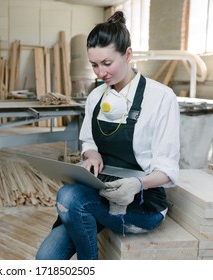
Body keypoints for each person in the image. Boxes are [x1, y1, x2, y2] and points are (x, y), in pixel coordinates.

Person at [35, 11, 180, 260]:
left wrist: (137, 184)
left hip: (143, 202)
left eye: (107, 63)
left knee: (69, 196)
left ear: (128, 54)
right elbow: (89, 140)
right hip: (101, 191)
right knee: (45, 260)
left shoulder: (161, 97)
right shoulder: (95, 96)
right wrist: (91, 155)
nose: (100, 73)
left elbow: (168, 168)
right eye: (94, 65)